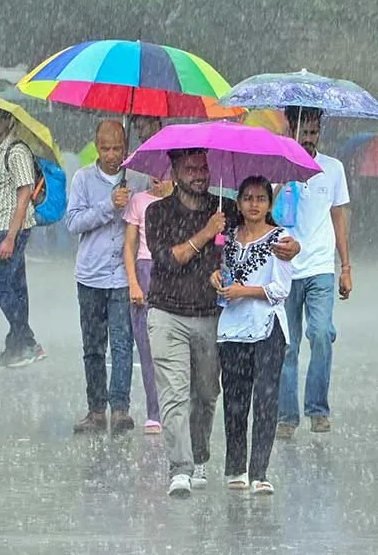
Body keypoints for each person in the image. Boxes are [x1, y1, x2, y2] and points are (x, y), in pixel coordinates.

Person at [145, 149, 300, 497]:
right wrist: (206, 233)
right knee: (173, 394)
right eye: (191, 169)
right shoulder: (157, 212)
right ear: (174, 171)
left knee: (206, 394)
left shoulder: (227, 208)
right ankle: (181, 468)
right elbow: (169, 260)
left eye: (203, 168)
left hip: (211, 317)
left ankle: (201, 458)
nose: (199, 174)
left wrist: (295, 247)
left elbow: (263, 230)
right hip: (166, 312)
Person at [210, 176, 292, 496]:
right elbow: (220, 273)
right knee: (234, 401)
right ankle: (236, 467)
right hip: (232, 328)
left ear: (269, 204)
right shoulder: (227, 237)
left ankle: (259, 471)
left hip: (268, 326)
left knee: (265, 399)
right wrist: (216, 278)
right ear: (239, 202)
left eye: (260, 198)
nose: (254, 204)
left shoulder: (281, 239)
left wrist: (245, 291)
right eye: (248, 198)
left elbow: (280, 289)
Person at [69, 120, 149, 435]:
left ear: (126, 147)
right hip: (90, 276)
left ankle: (120, 409)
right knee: (93, 346)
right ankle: (95, 410)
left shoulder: (138, 180)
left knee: (121, 344)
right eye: (105, 148)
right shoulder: (83, 179)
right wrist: (108, 205)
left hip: (122, 277)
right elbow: (74, 222)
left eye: (117, 148)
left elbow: (145, 220)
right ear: (96, 146)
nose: (112, 155)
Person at [276, 106, 352, 439]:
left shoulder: (332, 168)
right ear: (289, 128)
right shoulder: (277, 163)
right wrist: (286, 176)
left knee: (321, 334)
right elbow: (265, 211)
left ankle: (317, 409)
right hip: (285, 269)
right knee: (286, 346)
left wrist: (345, 266)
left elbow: (338, 218)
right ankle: (286, 416)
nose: (308, 139)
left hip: (321, 267)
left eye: (313, 133)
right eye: (302, 132)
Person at [0, 102, 45, 368]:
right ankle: (15, 346)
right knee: (15, 287)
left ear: (7, 121)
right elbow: (7, 191)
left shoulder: (16, 152)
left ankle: (27, 341)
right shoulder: (0, 152)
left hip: (9, 227)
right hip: (3, 225)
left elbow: (24, 193)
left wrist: (11, 238)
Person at [123, 173, 174, 434]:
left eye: (165, 173)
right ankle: (154, 411)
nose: (158, 178)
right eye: (154, 174)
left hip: (173, 273)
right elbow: (129, 246)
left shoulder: (181, 202)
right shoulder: (138, 201)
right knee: (146, 347)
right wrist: (133, 281)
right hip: (144, 271)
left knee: (173, 347)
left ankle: (174, 409)